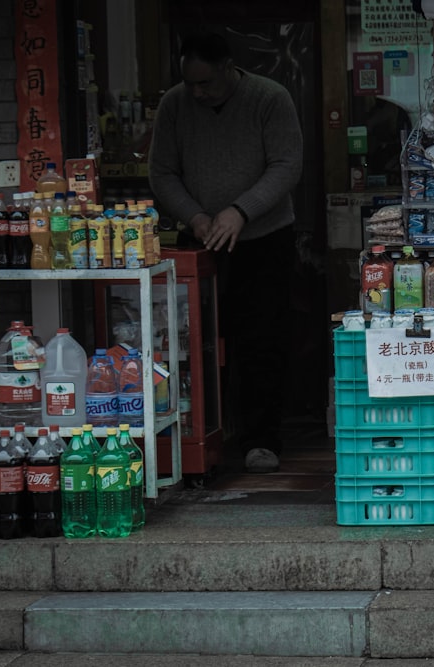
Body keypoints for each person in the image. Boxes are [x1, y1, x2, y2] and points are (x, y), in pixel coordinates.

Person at [149, 32, 303, 473]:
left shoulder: (269, 98)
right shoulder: (175, 105)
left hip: (265, 237)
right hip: (201, 240)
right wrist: (196, 217)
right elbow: (162, 172)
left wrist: (241, 211)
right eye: (190, 83)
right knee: (195, 342)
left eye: (205, 83)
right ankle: (200, 438)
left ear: (228, 69)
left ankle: (261, 439)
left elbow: (287, 164)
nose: (196, 92)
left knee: (262, 340)